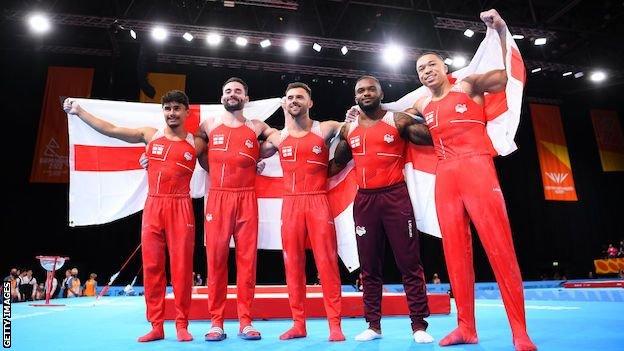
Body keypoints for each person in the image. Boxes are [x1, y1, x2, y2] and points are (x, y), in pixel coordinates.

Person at [404, 9, 536, 351]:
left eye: (431, 64)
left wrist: (502, 29)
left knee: (500, 249)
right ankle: (466, 327)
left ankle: (519, 331)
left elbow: (511, 75)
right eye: (420, 69)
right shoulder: (421, 104)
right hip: (445, 177)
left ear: (444, 68)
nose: (426, 71)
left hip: (477, 169)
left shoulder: (469, 85)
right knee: (454, 254)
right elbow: (391, 115)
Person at [64, 90, 202, 342]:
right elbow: (111, 129)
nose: (172, 113)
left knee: (182, 269)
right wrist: (79, 112)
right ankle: (157, 326)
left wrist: (258, 163)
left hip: (181, 207)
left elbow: (227, 156)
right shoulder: (149, 135)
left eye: (177, 108)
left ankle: (182, 324)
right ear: (163, 111)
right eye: (168, 108)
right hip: (154, 207)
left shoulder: (196, 142)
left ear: (186, 112)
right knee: (152, 268)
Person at [330, 75, 434, 343]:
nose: (366, 93)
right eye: (360, 91)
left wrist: (426, 109)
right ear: (355, 97)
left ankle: (419, 325)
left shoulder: (397, 120)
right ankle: (373, 325)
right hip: (364, 202)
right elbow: (335, 166)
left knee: (409, 263)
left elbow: (435, 138)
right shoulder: (347, 130)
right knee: (369, 267)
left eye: (370, 89)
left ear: (380, 92)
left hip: (395, 198)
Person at [259, 82, 345, 341]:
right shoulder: (278, 137)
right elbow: (245, 152)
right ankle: (299, 324)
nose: (294, 101)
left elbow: (356, 130)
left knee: (327, 263)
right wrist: (255, 163)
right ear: (284, 103)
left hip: (318, 202)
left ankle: (335, 325)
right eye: (290, 98)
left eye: (300, 97)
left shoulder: (326, 128)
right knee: (293, 265)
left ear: (310, 103)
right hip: (291, 205)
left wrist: (353, 117)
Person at [197, 77, 279, 342]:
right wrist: (149, 154)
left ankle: (245, 321)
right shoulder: (208, 125)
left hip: (246, 199)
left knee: (247, 262)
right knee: (216, 262)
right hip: (218, 199)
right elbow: (189, 149)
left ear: (246, 98)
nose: (233, 94)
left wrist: (262, 153)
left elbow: (280, 139)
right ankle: (216, 322)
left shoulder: (256, 126)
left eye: (238, 91)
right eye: (228, 91)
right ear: (222, 97)